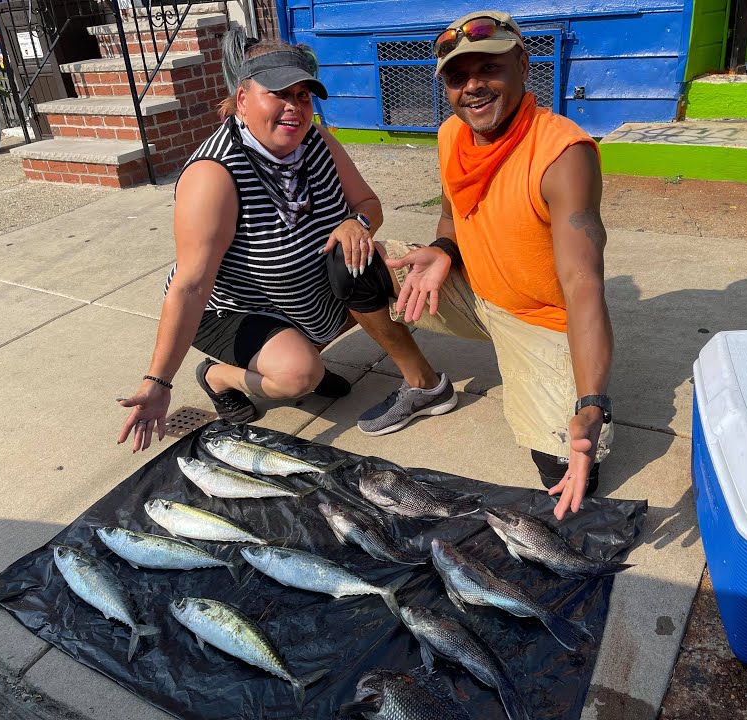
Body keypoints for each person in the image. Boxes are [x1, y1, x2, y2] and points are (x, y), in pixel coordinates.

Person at [117, 31, 456, 453]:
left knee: (376, 264)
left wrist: (357, 222)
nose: (294, 107)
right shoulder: (214, 175)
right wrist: (157, 381)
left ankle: (306, 348)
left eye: (303, 95)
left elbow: (368, 202)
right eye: (278, 93)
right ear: (242, 99)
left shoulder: (315, 140)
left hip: (299, 291)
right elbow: (191, 286)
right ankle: (221, 376)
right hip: (235, 307)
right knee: (299, 374)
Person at [335, 10, 615, 521]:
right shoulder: (451, 136)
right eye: (459, 77)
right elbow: (450, 217)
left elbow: (583, 284)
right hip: (475, 291)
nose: (474, 87)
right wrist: (442, 253)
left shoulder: (562, 154)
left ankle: (572, 402)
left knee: (570, 476)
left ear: (523, 66)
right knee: (348, 261)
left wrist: (592, 401)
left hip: (539, 318)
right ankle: (424, 386)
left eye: (489, 69)